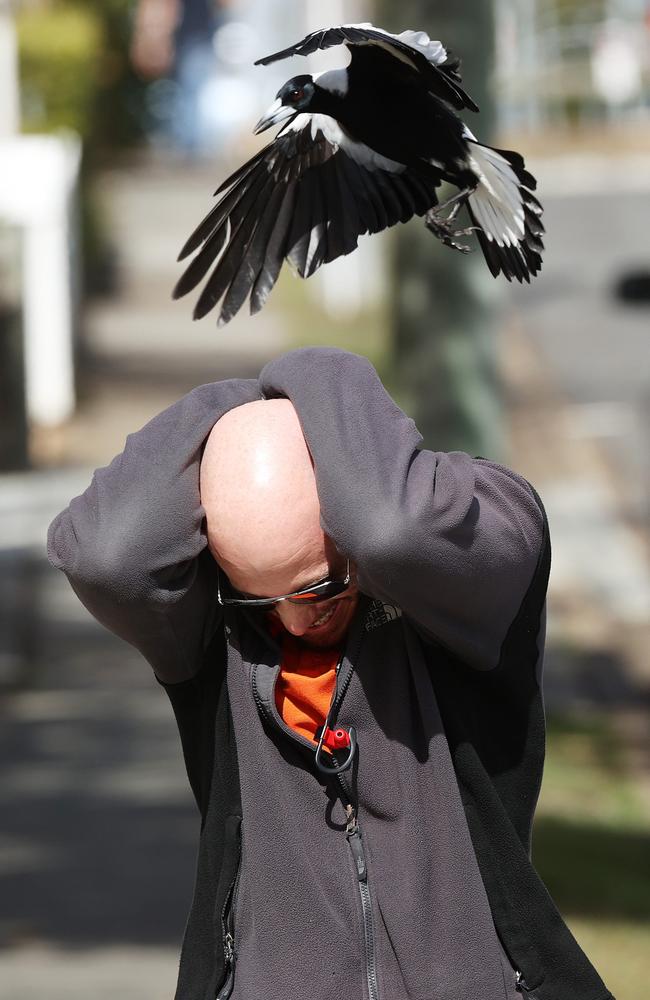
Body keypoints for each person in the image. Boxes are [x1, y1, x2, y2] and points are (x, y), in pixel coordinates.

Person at [47, 347, 613, 1000]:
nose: (290, 620)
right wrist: (241, 415)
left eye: (316, 589)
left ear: (343, 522)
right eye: (261, 597)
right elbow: (102, 555)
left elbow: (393, 529)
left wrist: (314, 378)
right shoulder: (218, 633)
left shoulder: (474, 562)